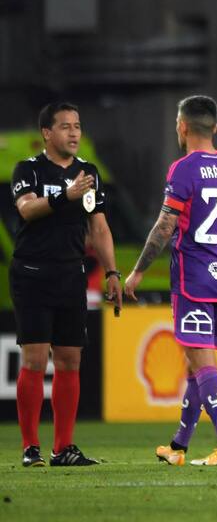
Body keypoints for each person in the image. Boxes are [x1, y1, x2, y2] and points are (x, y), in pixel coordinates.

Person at [124, 95, 217, 467]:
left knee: (201, 361)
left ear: (181, 127)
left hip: (193, 276)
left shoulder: (183, 169)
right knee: (195, 362)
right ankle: (179, 446)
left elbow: (165, 226)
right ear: (215, 127)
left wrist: (139, 270)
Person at [10, 102, 122, 467]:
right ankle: (30, 448)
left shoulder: (88, 173)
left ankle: (63, 448)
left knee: (70, 360)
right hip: (32, 273)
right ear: (47, 133)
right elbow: (26, 209)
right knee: (35, 358)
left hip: (70, 274)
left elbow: (99, 226)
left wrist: (111, 272)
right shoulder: (27, 169)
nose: (74, 133)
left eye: (78, 126)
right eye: (65, 126)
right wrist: (65, 196)